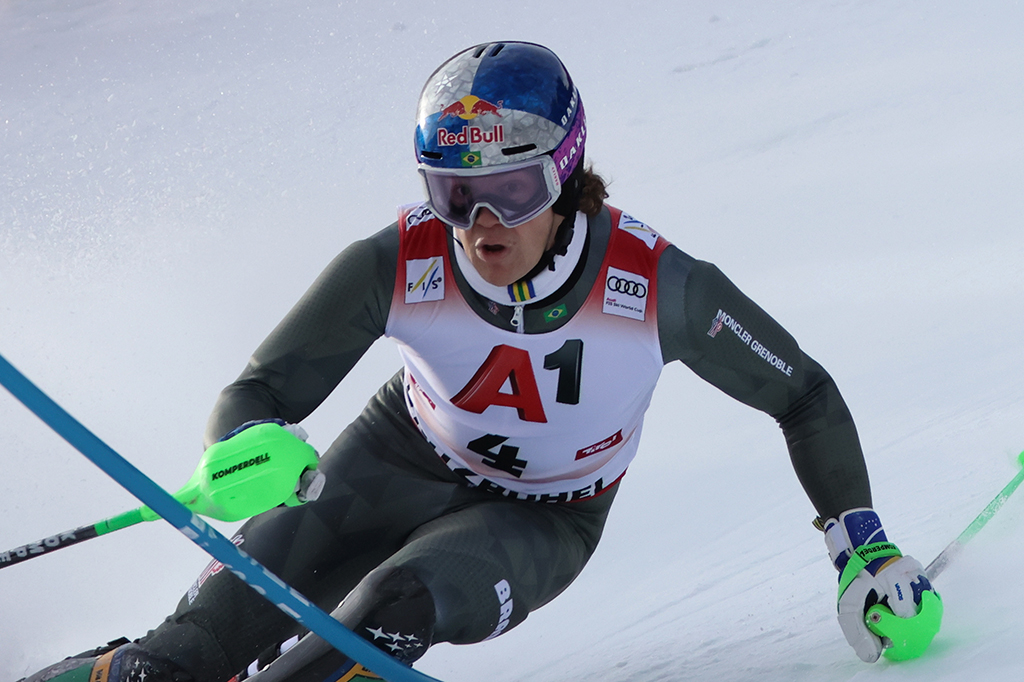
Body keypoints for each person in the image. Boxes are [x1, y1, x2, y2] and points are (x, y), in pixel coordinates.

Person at [22, 41, 941, 682]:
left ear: (567, 176)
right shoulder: (403, 258)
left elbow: (806, 394)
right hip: (389, 460)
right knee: (169, 663)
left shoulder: (660, 286)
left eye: (510, 190)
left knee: (393, 607)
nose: (482, 224)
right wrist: (244, 448)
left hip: (542, 518)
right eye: (454, 193)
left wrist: (860, 545)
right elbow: (259, 391)